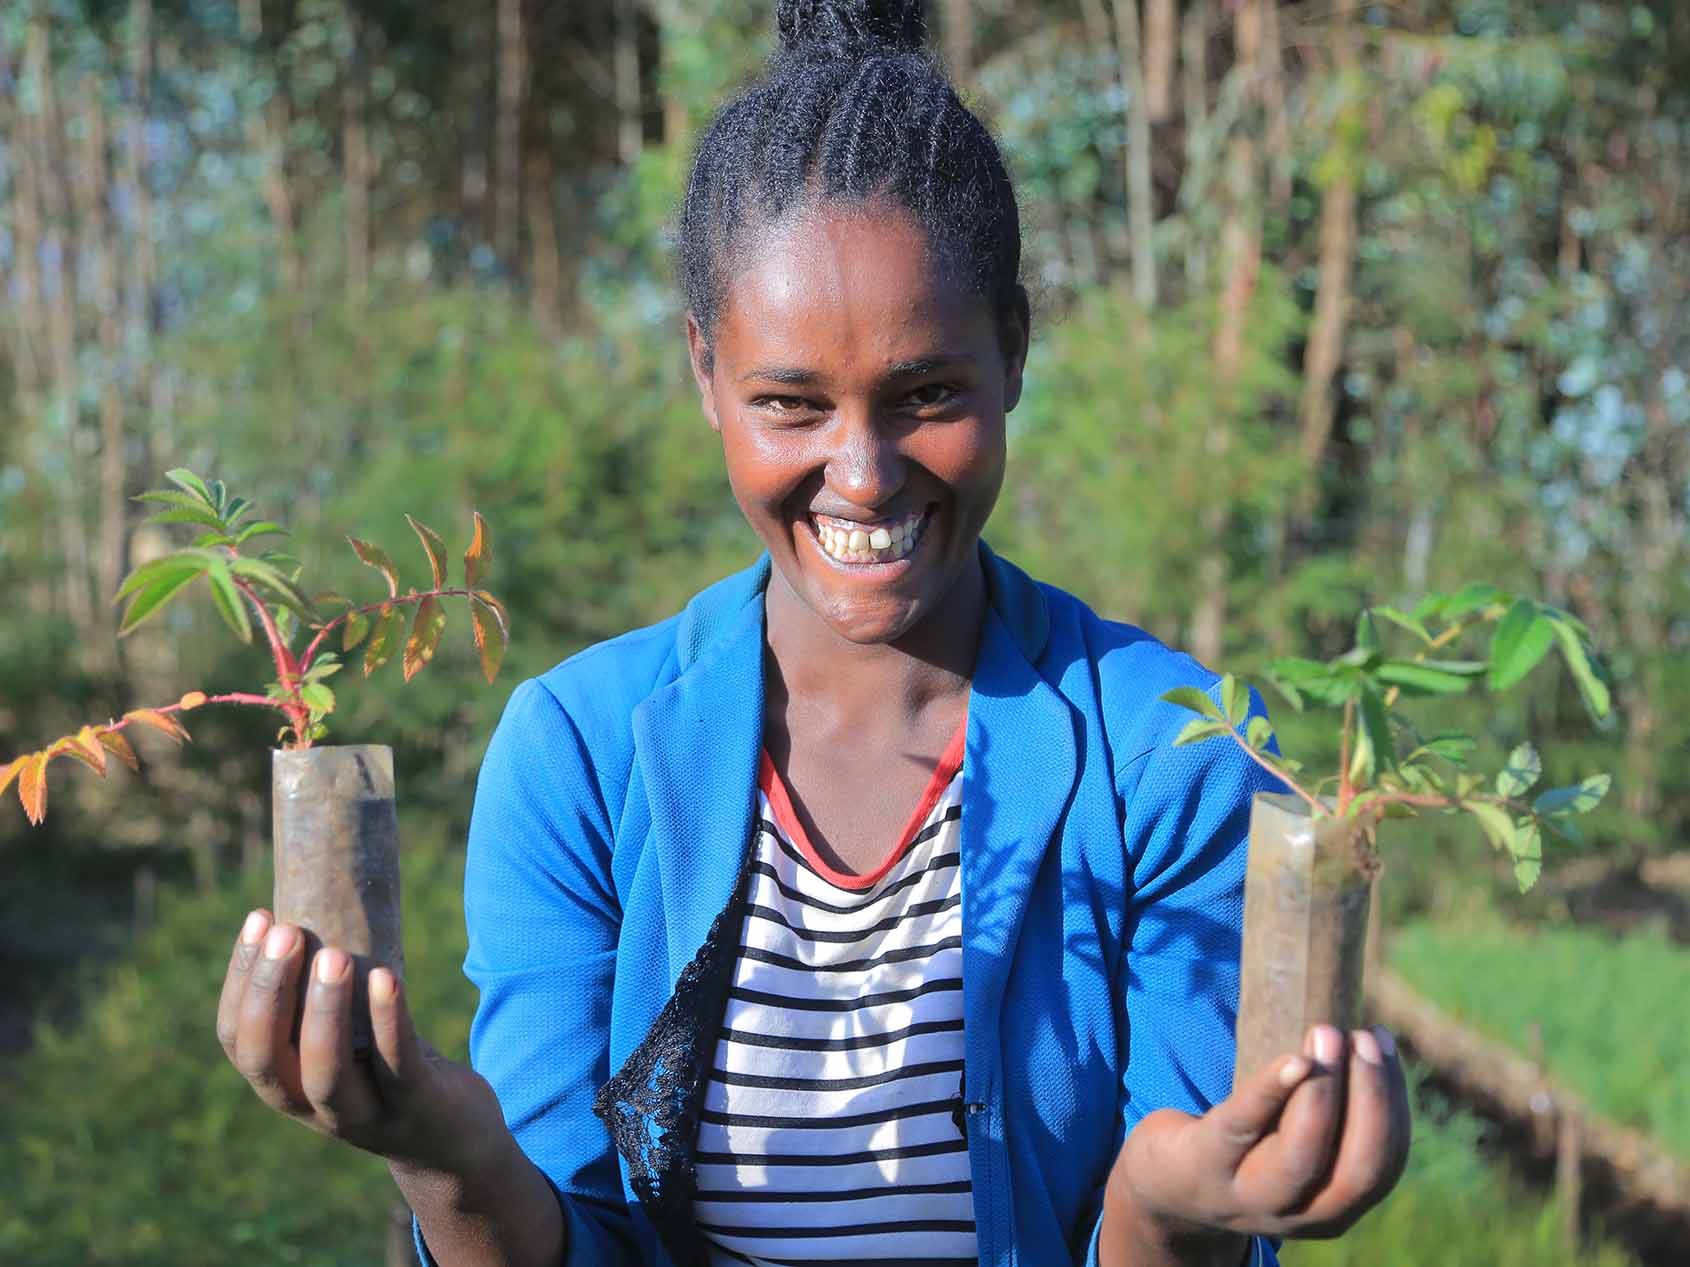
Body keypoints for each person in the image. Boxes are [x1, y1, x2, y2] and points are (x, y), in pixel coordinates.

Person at [215, 2, 1411, 1264]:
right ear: (704, 376)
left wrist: (1161, 1209)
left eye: (925, 395)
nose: (863, 473)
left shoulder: (1172, 752)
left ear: (1012, 350)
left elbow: (1189, 1205)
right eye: (790, 403)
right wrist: (444, 1154)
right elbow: (568, 1234)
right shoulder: (582, 751)